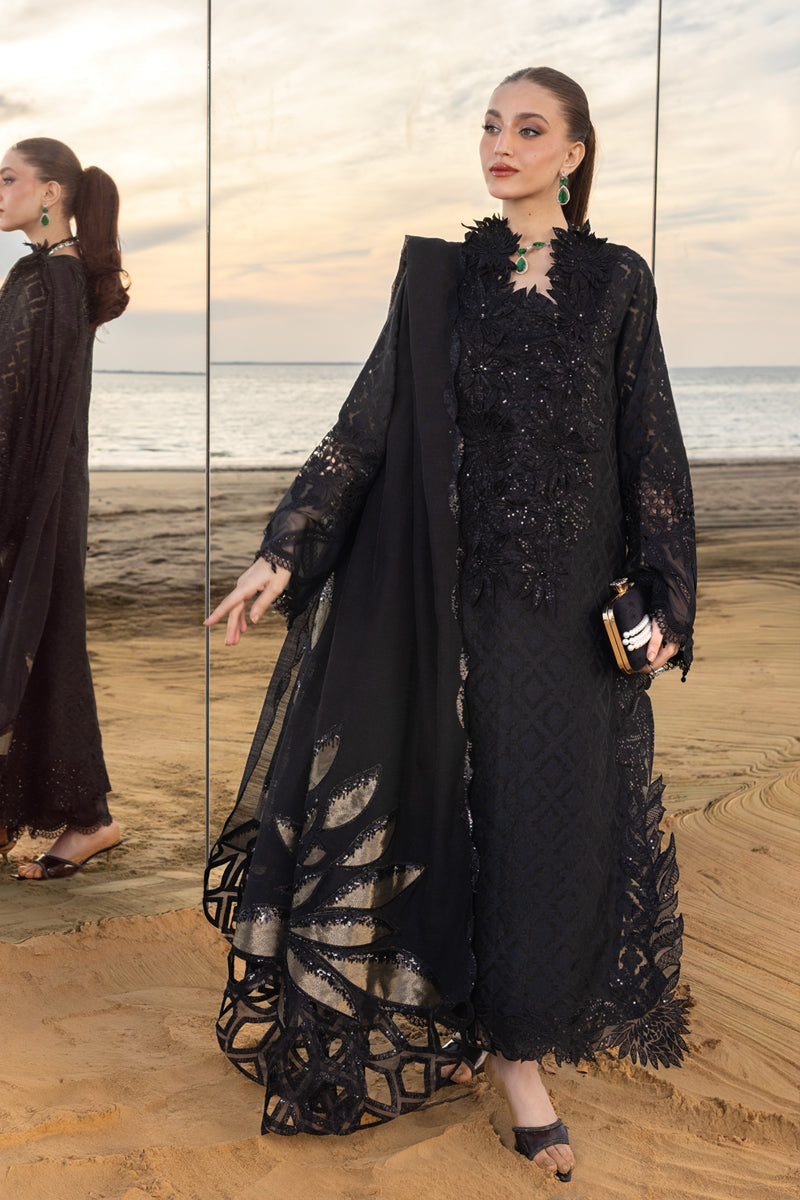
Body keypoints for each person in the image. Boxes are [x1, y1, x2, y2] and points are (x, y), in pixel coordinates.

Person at [203, 67, 696, 1182]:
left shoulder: (618, 281)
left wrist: (666, 594)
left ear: (572, 153)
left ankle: (519, 1050)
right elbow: (364, 429)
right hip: (447, 597)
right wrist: (284, 550)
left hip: (569, 612)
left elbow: (649, 445)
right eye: (489, 126)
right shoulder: (441, 278)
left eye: (528, 128)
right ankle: (482, 1035)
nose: (500, 144)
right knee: (442, 812)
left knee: (544, 822)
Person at [0, 138, 129, 879]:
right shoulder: (41, 272)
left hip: (31, 493)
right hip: (39, 489)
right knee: (38, 642)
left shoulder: (54, 278)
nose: (0, 191)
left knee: (42, 643)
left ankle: (89, 820)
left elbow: (21, 407)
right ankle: (67, 817)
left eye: (8, 178)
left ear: (50, 192)